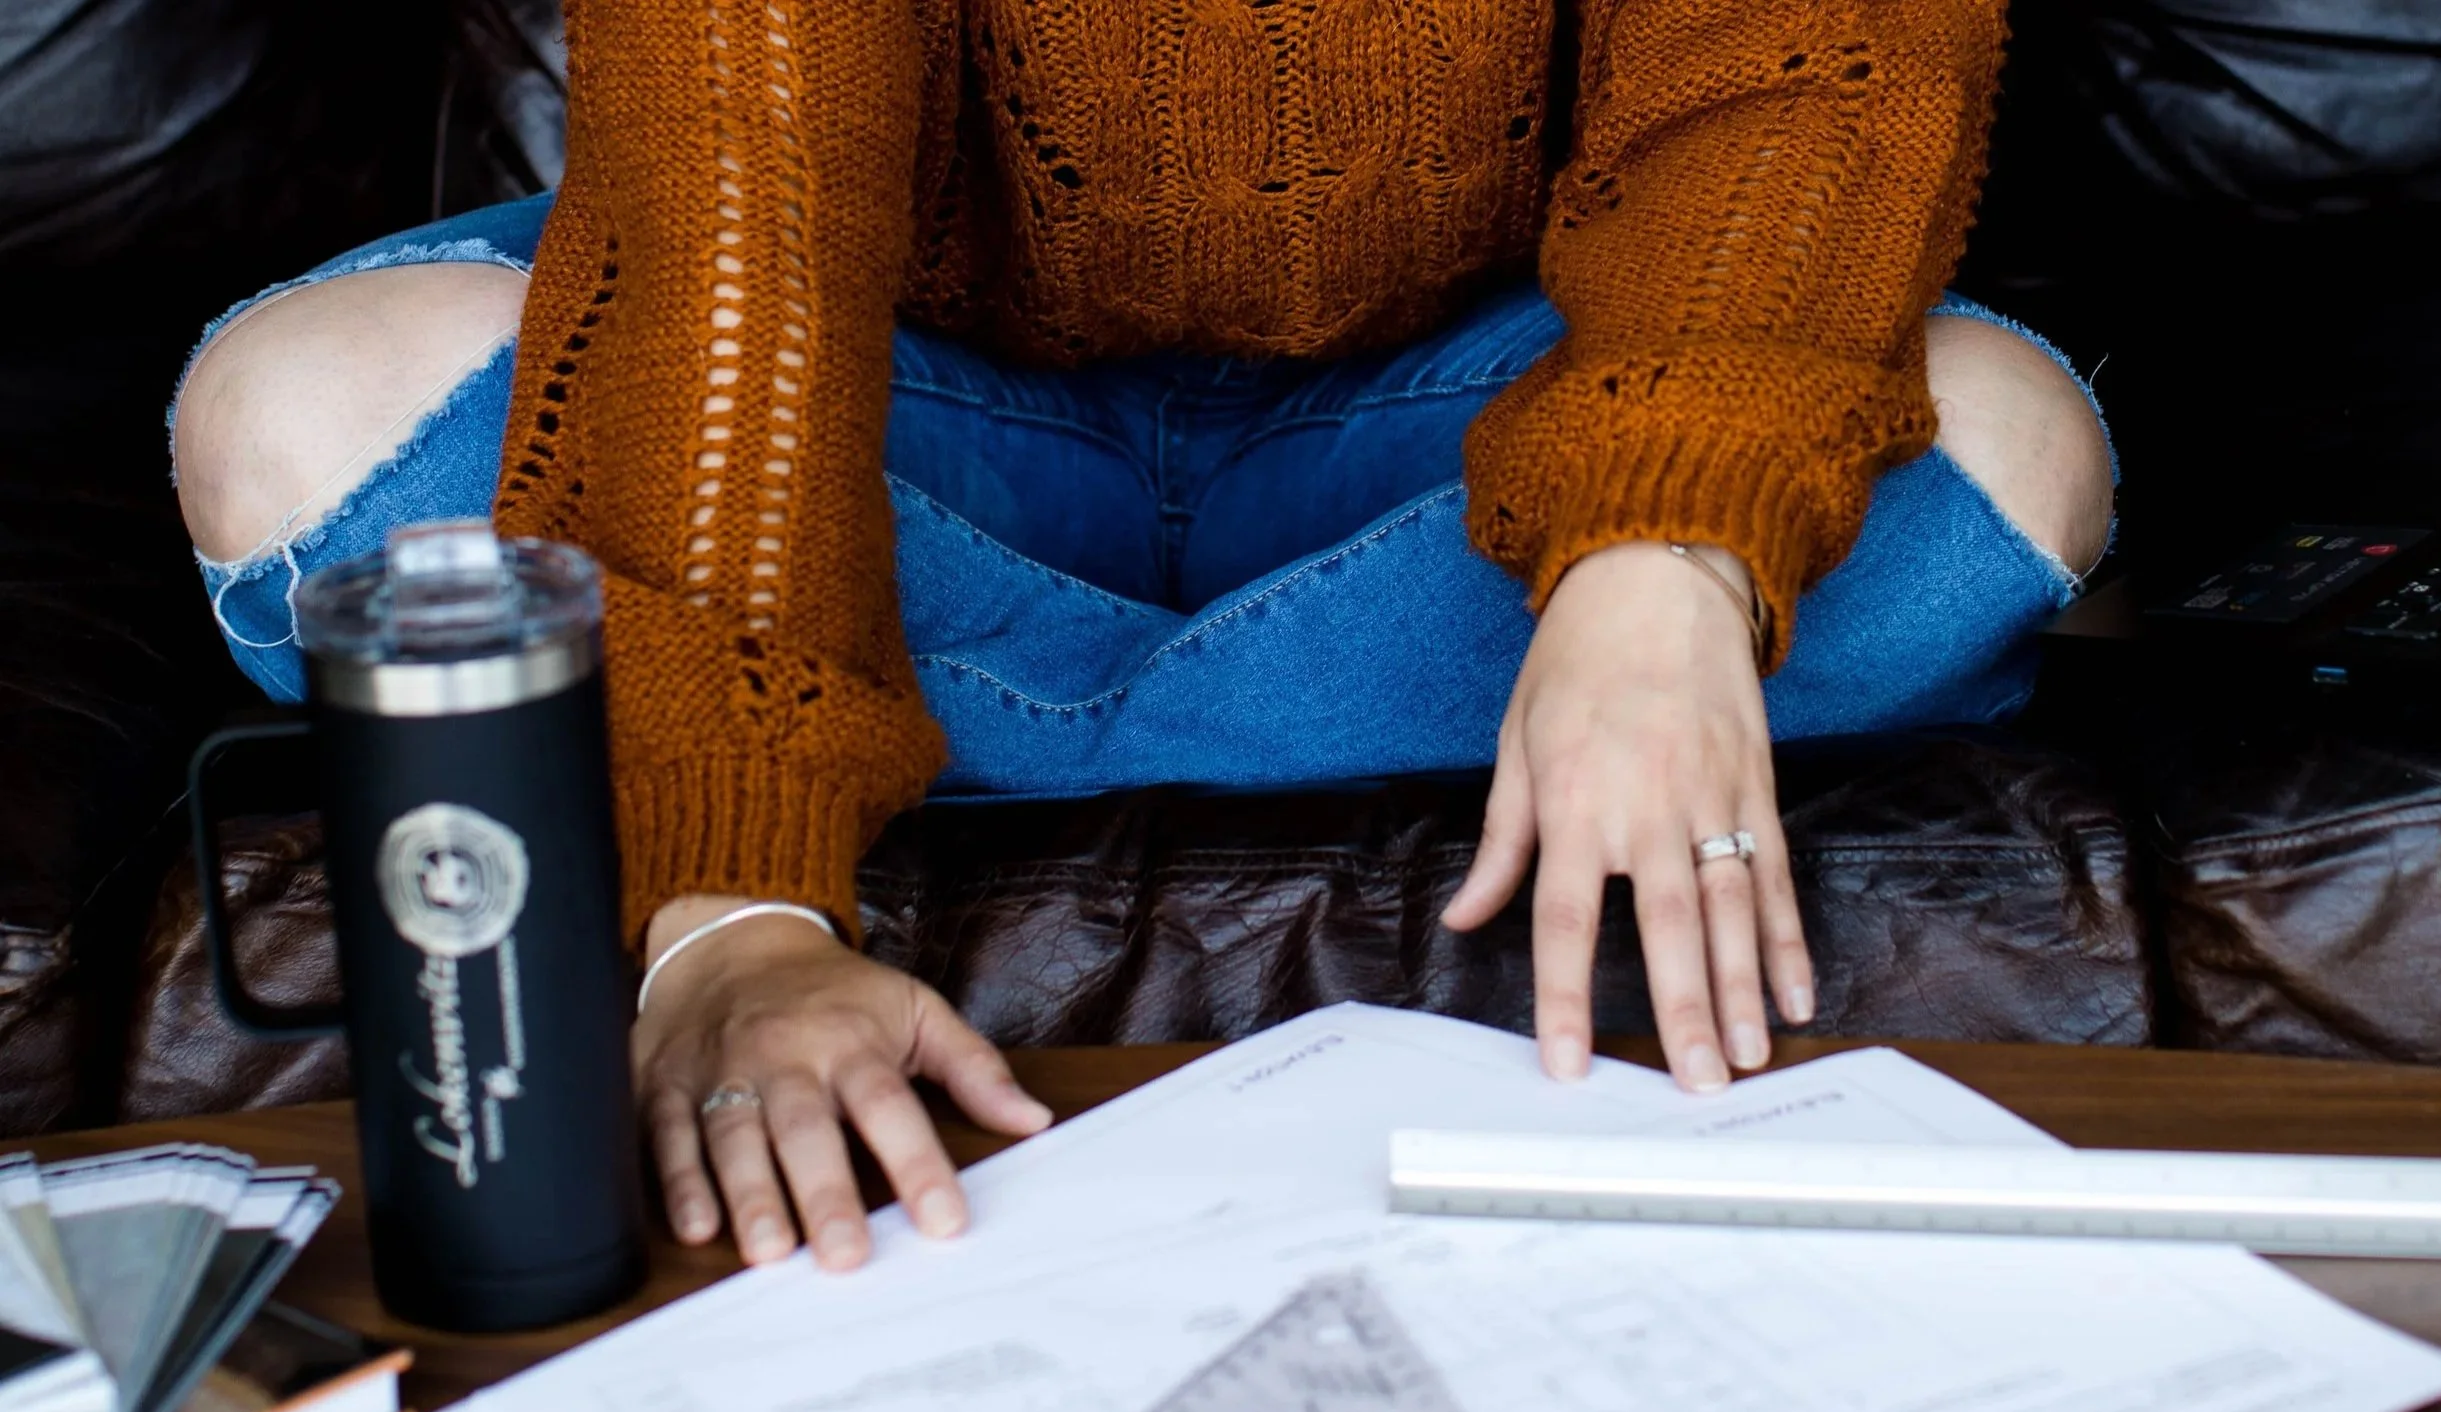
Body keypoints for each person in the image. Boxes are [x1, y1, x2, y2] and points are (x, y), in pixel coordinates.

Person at [171, 0, 2114, 1274]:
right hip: (918, 414)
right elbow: (739, 209)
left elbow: (1787, 110)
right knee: (304, 418)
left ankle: (916, 714)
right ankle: (1397, 699)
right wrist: (730, 911)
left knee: (2004, 458)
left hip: (1462, 409)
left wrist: (1663, 545)